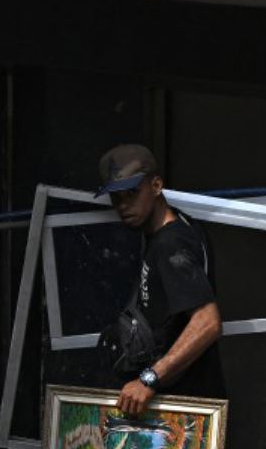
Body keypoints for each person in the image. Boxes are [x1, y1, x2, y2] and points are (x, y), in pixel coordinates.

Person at [95, 144, 226, 416]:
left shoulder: (171, 244)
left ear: (156, 186)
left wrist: (149, 379)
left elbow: (208, 322)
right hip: (183, 405)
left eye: (132, 193)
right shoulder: (172, 229)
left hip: (186, 408)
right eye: (116, 198)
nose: (123, 205)